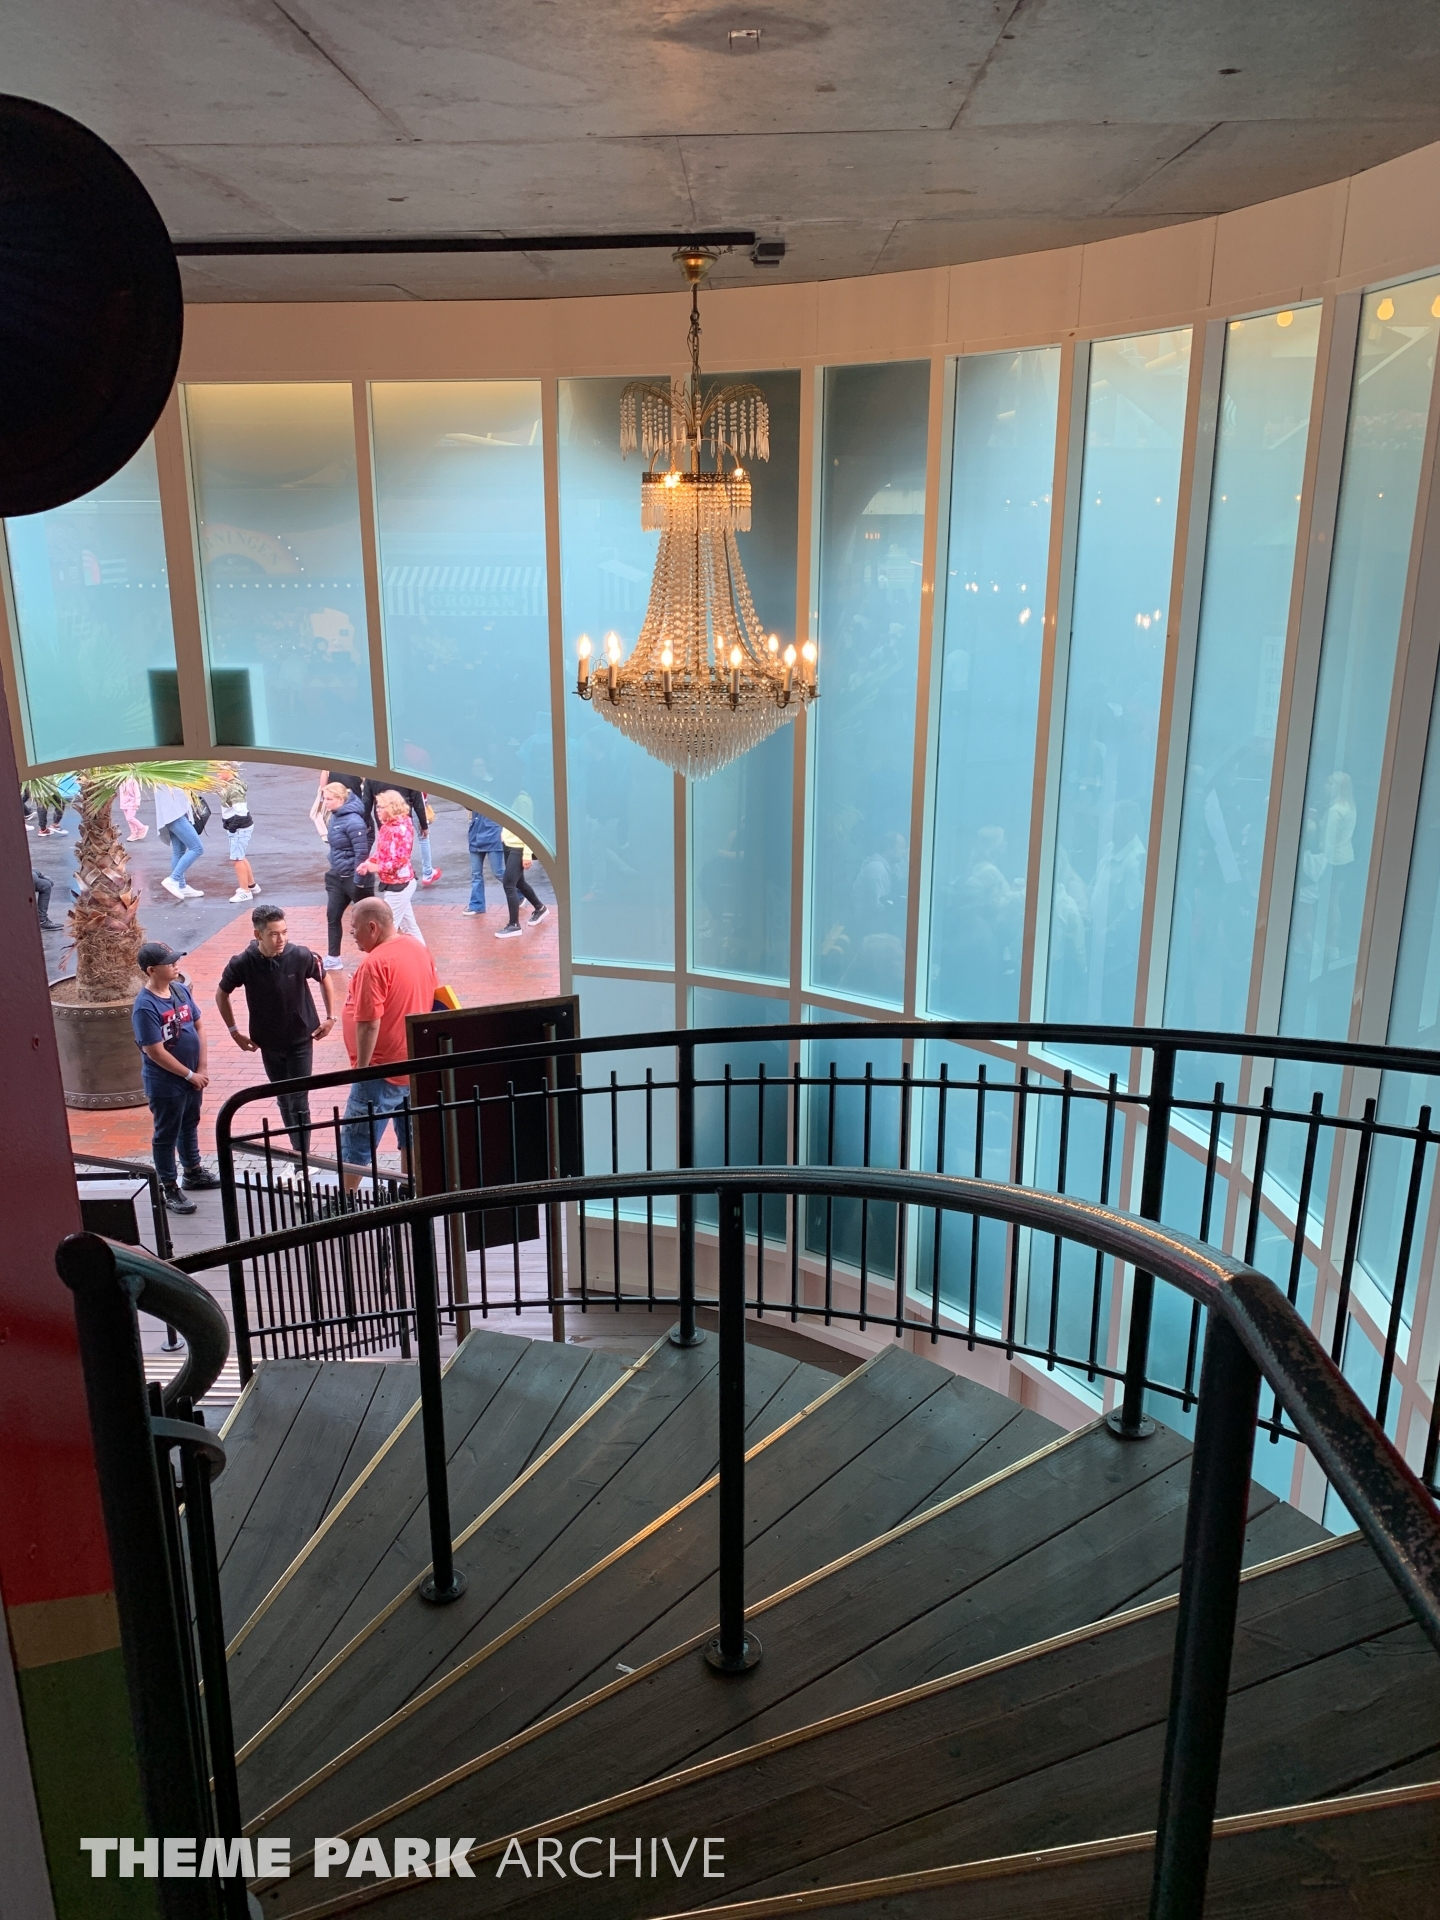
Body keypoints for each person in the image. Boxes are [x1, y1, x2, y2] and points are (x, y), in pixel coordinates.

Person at [217, 903, 337, 1156]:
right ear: (258, 935)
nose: (281, 939)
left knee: (299, 1098)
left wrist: (330, 1017)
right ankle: (297, 1153)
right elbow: (221, 994)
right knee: (283, 1097)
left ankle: (302, 1157)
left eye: (284, 932)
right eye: (273, 934)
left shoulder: (301, 955)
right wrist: (234, 1031)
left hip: (301, 1040)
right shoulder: (243, 962)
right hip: (268, 1043)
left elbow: (324, 977)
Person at [338, 897, 438, 1188]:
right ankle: (410, 1189)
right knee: (410, 1135)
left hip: (380, 1070)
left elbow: (369, 1023)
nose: (352, 934)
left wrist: (362, 1069)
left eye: (354, 928)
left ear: (372, 927)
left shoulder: (374, 964)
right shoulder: (417, 948)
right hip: (412, 1064)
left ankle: (344, 1202)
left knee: (357, 1141)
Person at [131, 941, 220, 1215]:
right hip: (166, 1083)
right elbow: (155, 1051)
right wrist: (189, 1074)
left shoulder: (180, 990)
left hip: (192, 1078)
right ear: (151, 970)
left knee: (189, 1122)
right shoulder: (145, 1007)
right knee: (167, 1132)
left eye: (174, 959)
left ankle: (192, 1171)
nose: (175, 964)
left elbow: (199, 1025)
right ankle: (168, 1186)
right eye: (168, 962)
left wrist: (201, 1067)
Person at [357, 788, 425, 942]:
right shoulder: (387, 827)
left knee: (386, 929)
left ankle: (387, 955)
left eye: (381, 807)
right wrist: (369, 863)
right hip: (395, 883)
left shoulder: (400, 829)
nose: (377, 810)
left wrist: (377, 867)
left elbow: (401, 860)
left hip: (399, 885)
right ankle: (425, 957)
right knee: (410, 928)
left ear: (392, 807)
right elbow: (382, 852)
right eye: (377, 807)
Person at [321, 780, 373, 971]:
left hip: (354, 877)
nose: (326, 803)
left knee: (369, 921)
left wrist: (358, 881)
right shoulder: (335, 816)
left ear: (341, 799)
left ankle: (378, 957)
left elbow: (361, 852)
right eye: (325, 799)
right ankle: (333, 957)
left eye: (329, 799)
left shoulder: (353, 821)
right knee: (332, 916)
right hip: (337, 876)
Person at [496, 797, 547, 939]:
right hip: (509, 844)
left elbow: (528, 827)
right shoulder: (512, 796)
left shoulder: (523, 800)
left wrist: (527, 854)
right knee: (519, 882)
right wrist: (504, 833)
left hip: (518, 848)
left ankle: (514, 925)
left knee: (509, 884)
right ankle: (540, 908)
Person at [156, 783, 204, 900]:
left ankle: (181, 886)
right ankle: (173, 879)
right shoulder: (166, 778)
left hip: (172, 815)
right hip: (175, 815)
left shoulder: (160, 778)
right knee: (197, 848)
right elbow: (179, 791)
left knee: (178, 852)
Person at [218, 771, 257, 902]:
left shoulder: (233, 789)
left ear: (229, 770)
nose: (217, 772)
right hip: (240, 827)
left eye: (220, 769)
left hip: (239, 828)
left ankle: (245, 891)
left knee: (237, 859)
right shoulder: (232, 784)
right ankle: (251, 885)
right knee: (240, 856)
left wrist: (232, 827)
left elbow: (241, 813)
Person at [466, 809, 504, 915]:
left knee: (498, 872)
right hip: (476, 834)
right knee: (476, 873)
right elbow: (468, 805)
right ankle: (476, 905)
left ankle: (520, 891)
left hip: (493, 835)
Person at [118, 776, 147, 841]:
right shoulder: (121, 780)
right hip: (123, 803)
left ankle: (142, 828)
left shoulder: (132, 780)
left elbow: (137, 792)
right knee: (129, 820)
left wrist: (137, 802)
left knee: (130, 818)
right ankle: (134, 833)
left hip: (132, 802)